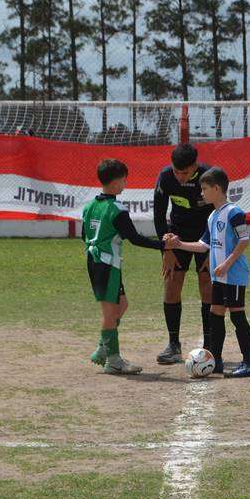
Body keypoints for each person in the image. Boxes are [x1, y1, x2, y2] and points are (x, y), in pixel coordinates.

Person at [166, 167, 250, 378]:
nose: (202, 193)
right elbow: (203, 245)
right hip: (219, 277)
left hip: (233, 275)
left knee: (237, 315)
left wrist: (226, 264)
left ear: (216, 189)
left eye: (205, 189)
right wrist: (178, 244)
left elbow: (244, 240)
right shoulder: (212, 216)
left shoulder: (234, 213)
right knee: (215, 315)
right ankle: (215, 360)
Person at [84, 159, 170, 375]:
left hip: (96, 262)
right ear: (115, 183)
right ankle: (113, 360)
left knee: (121, 305)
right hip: (106, 264)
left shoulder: (89, 206)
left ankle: (103, 348)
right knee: (110, 312)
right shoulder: (116, 209)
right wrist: (163, 245)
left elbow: (83, 235)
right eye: (124, 180)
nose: (125, 184)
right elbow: (134, 238)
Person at [153, 143, 214, 365]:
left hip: (206, 236)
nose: (180, 177)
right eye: (176, 171)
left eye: (185, 173)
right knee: (171, 285)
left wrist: (212, 248)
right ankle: (173, 345)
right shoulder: (165, 177)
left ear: (195, 165)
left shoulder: (209, 176)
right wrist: (167, 249)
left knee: (207, 287)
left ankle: (210, 345)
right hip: (176, 236)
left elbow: (219, 213)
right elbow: (159, 215)